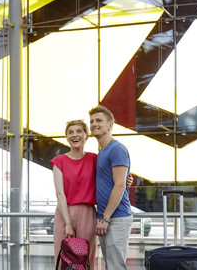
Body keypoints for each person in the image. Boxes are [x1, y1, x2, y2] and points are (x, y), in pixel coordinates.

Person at [89, 105, 133, 270]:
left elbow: (120, 185)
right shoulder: (102, 152)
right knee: (111, 266)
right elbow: (120, 180)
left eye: (99, 120)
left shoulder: (117, 149)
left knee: (116, 267)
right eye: (92, 121)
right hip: (106, 217)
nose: (94, 124)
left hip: (116, 218)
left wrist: (105, 218)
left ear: (110, 125)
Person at [51, 120, 98, 269]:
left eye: (79, 131)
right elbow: (60, 193)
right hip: (64, 212)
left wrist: (127, 179)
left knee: (85, 260)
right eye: (70, 132)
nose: (74, 135)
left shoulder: (94, 159)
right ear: (66, 137)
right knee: (63, 257)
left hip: (87, 213)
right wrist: (68, 224)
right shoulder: (59, 161)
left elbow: (111, 178)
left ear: (86, 135)